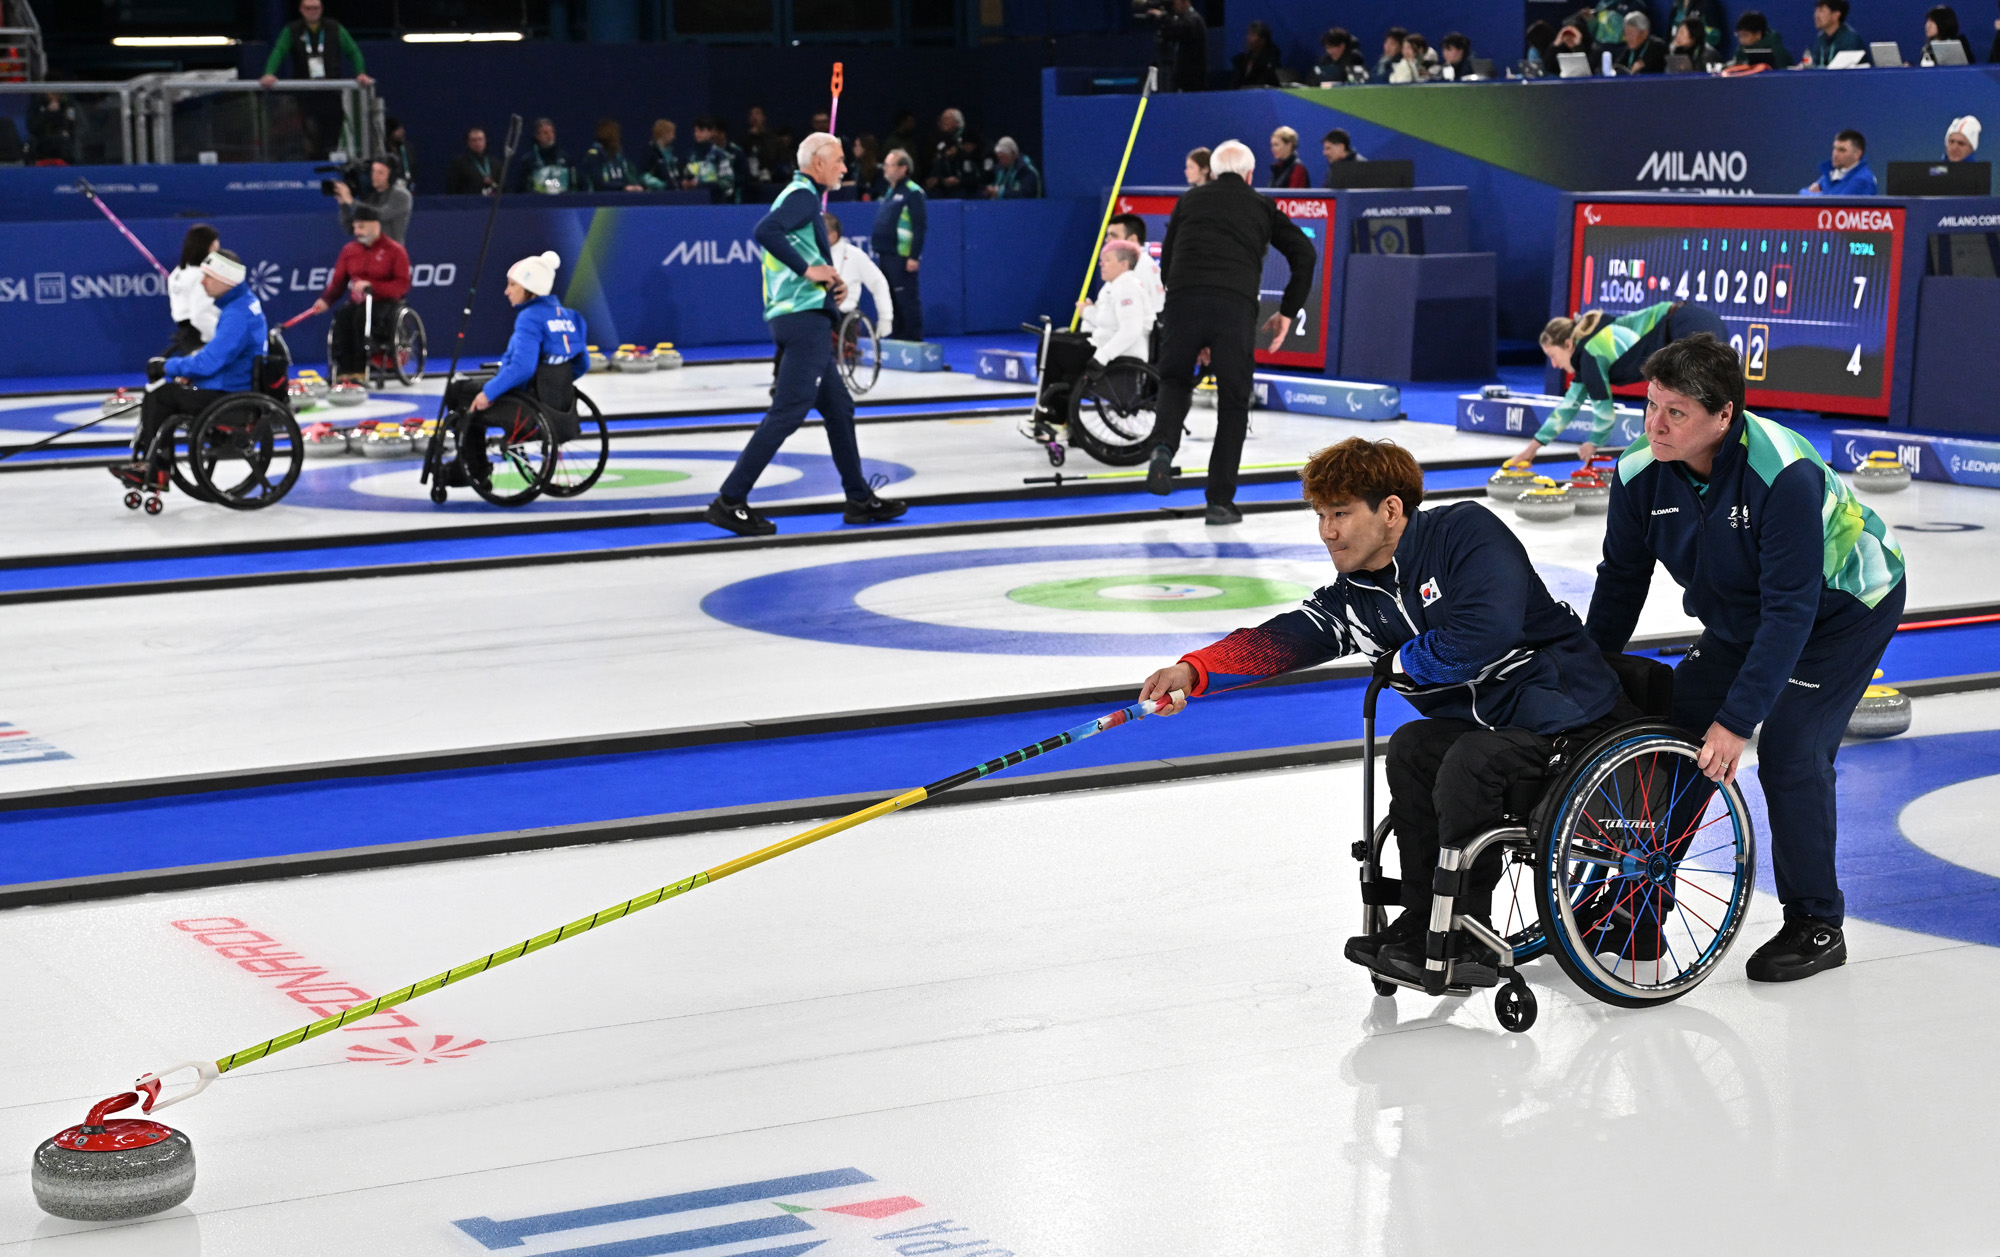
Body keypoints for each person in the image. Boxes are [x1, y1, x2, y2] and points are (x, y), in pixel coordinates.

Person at [1135, 438, 1631, 983]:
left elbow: (1484, 633)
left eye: (1340, 513)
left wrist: (1400, 661)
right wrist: (1195, 671)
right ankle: (1424, 919)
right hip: (1486, 722)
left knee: (1471, 761)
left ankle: (1467, 936)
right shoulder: (1356, 593)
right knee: (1413, 748)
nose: (1327, 531)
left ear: (1391, 510)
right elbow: (1285, 638)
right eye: (1321, 515)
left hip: (1564, 712)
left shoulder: (1464, 533)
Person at [1588, 335, 1906, 981]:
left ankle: (1816, 922)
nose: (1654, 424)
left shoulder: (1783, 473)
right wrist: (1584, 677)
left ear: (1724, 415)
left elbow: (1791, 610)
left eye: (1676, 412)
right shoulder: (1639, 471)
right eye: (1650, 405)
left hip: (1842, 609)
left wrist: (1736, 722)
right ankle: (1641, 904)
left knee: (1790, 747)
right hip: (1743, 614)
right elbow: (1621, 581)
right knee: (1676, 734)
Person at [706, 133, 906, 538]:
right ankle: (729, 501)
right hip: (802, 323)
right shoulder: (802, 196)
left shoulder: (801, 197)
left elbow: (796, 254)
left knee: (839, 409)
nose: (845, 168)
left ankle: (858, 499)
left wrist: (831, 285)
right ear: (818, 164)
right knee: (788, 412)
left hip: (803, 316)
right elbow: (766, 231)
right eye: (839, 160)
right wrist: (809, 270)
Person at [1142, 140, 1317, 525]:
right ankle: (1219, 502)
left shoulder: (1189, 201)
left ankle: (1162, 448)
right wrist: (1287, 312)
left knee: (1174, 380)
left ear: (1214, 170)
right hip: (1233, 307)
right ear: (1250, 174)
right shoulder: (1261, 205)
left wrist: (1190, 320)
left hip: (1183, 301)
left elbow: (1168, 262)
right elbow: (1305, 253)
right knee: (1233, 402)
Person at [115, 250, 268, 490]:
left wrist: (167, 366)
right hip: (232, 385)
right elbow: (220, 358)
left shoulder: (237, 315)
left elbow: (209, 363)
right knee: (164, 390)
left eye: (208, 276)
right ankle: (153, 464)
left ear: (225, 279)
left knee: (161, 395)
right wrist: (185, 372)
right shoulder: (242, 304)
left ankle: (156, 469)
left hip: (230, 395)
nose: (202, 282)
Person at [1512, 301, 1727, 466]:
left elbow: (1605, 414)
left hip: (1688, 326)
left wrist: (1593, 442)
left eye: (1552, 355)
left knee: (1665, 405)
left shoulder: (1591, 354)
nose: (1554, 364)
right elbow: (1566, 408)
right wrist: (1530, 450)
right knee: (1668, 405)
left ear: (1568, 344)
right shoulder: (1589, 353)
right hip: (1695, 321)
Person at [442, 251, 587, 476]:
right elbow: (581, 364)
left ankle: (473, 468)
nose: (506, 291)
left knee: (457, 391)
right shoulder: (571, 316)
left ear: (530, 287)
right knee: (471, 389)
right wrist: (553, 385)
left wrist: (488, 393)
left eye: (512, 284)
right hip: (552, 400)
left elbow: (522, 367)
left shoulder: (530, 317)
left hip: (524, 398)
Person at [305, 205, 411, 383]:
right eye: (355, 227)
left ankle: (359, 371)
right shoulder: (349, 250)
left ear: (375, 225)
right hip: (358, 303)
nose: (357, 231)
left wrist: (373, 286)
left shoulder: (395, 250)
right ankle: (344, 371)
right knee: (343, 316)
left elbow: (402, 285)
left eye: (361, 226)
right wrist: (326, 300)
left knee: (361, 318)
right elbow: (339, 282)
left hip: (385, 303)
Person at [259, 0, 370, 159]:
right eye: (308, 8)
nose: (312, 12)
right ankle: (311, 165)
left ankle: (328, 166)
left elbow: (353, 51)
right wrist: (269, 72)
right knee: (310, 136)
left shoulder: (334, 28)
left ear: (322, 8)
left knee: (331, 136)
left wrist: (360, 72)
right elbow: (279, 51)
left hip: (331, 94)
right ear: (301, 9)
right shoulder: (292, 30)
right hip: (305, 95)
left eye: (316, 8)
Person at [872, 149, 926, 342]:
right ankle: (899, 341)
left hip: (902, 256)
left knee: (906, 300)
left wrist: (913, 256)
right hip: (886, 254)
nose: (885, 168)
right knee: (892, 301)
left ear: (903, 168)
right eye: (885, 164)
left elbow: (920, 226)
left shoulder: (913, 192)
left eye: (890, 165)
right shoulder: (890, 191)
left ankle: (913, 341)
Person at [1077, 240, 1156, 365]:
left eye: (1107, 260)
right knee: (1054, 343)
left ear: (1123, 264)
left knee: (1055, 349)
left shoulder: (1128, 289)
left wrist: (1101, 358)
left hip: (1121, 358)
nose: (1101, 264)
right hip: (1101, 347)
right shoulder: (1114, 286)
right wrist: (1088, 311)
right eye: (1102, 260)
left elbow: (1131, 331)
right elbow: (1106, 321)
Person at [825, 215, 892, 339]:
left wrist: (885, 317)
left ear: (833, 236)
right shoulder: (810, 254)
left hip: (845, 321)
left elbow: (878, 283)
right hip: (817, 318)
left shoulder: (855, 255)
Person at [165, 224, 221, 359]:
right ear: (207, 246)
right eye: (215, 245)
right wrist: (222, 336)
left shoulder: (177, 273)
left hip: (188, 335)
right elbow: (200, 315)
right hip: (200, 336)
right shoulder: (201, 276)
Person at [333, 156, 411, 244]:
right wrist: (343, 204)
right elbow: (350, 228)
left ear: (391, 175)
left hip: (389, 250)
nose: (375, 176)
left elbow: (381, 215)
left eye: (380, 173)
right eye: (373, 171)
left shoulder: (401, 195)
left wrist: (351, 201)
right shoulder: (370, 196)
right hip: (367, 250)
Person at [1105, 213, 1164, 316]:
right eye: (1108, 236)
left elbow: (1127, 315)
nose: (1107, 240)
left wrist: (1088, 312)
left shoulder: (1132, 266)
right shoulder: (1144, 262)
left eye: (1114, 236)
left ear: (1132, 240)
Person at [1148, 0, 1210, 92]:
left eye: (1175, 2)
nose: (1173, 6)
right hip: (1183, 77)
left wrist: (1163, 17)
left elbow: (1180, 27)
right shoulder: (1184, 19)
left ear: (1185, 2)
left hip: (1193, 79)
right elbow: (1171, 33)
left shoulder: (1193, 19)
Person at [1801, 129, 1877, 195]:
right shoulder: (1831, 173)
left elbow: (1835, 204)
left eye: (1842, 150)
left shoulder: (1863, 180)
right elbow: (1802, 193)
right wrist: (1814, 195)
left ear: (1857, 154)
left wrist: (1816, 195)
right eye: (1834, 148)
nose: (1835, 154)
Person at [684, 117, 741, 204]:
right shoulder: (690, 155)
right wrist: (686, 183)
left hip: (716, 203)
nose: (697, 134)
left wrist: (702, 185)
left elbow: (727, 182)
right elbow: (686, 176)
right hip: (694, 203)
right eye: (695, 131)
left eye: (701, 130)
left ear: (711, 132)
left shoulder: (720, 155)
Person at [578, 120, 644, 192]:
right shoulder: (594, 156)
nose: (619, 138)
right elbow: (599, 183)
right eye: (616, 135)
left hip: (620, 195)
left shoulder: (618, 156)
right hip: (602, 197)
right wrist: (622, 187)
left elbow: (627, 176)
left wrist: (634, 185)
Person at [516, 118, 573, 194]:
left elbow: (574, 186)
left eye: (552, 132)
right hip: (537, 200)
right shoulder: (529, 161)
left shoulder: (565, 159)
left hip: (563, 200)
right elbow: (522, 189)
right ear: (537, 136)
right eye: (545, 133)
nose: (550, 136)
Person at [1801, 0, 1867, 64]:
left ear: (1836, 15)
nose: (1816, 16)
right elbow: (1815, 63)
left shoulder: (1850, 40)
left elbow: (1845, 68)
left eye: (1821, 11)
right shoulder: (1820, 39)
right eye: (1816, 11)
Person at [444, 127, 497, 196]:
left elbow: (502, 188)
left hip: (492, 201)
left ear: (485, 141)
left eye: (480, 139)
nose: (478, 143)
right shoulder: (459, 164)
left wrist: (493, 183)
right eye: (474, 140)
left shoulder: (495, 164)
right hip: (468, 201)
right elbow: (452, 189)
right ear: (468, 143)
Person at [1231, 20, 1284, 87]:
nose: (1248, 38)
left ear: (1263, 39)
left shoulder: (1271, 62)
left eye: (1253, 35)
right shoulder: (1243, 61)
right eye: (1248, 34)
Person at [927, 109, 968, 190]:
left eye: (947, 119)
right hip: (942, 189)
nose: (943, 122)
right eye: (942, 119)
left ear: (957, 122)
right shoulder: (938, 140)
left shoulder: (967, 138)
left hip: (963, 189)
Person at [849, 134, 888, 199]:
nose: (853, 148)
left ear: (865, 148)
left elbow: (878, 190)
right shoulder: (853, 166)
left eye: (856, 145)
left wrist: (856, 184)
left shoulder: (878, 169)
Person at [382, 116, 415, 191]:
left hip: (406, 189)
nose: (402, 132)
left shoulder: (407, 149)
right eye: (398, 130)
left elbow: (413, 169)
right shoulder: (382, 152)